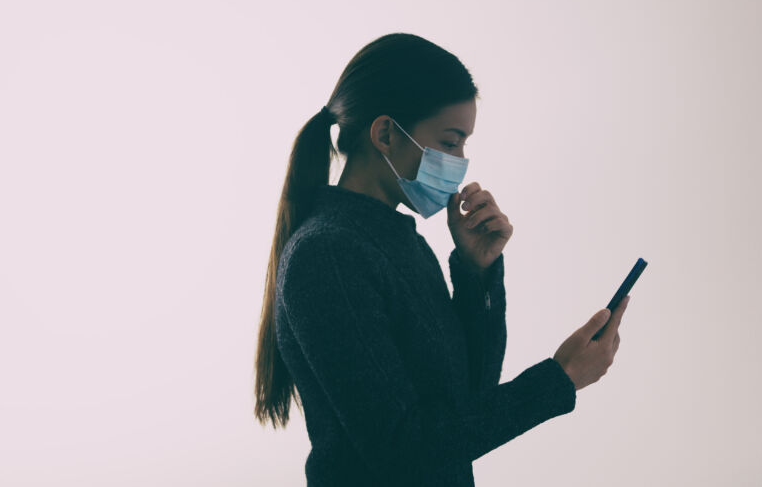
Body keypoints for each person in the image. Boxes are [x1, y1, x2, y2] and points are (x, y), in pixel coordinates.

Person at [253, 33, 628, 487]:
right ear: (386, 134)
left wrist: (476, 273)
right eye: (451, 143)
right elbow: (405, 449)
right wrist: (560, 379)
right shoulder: (328, 255)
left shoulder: (401, 243)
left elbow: (471, 399)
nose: (460, 162)